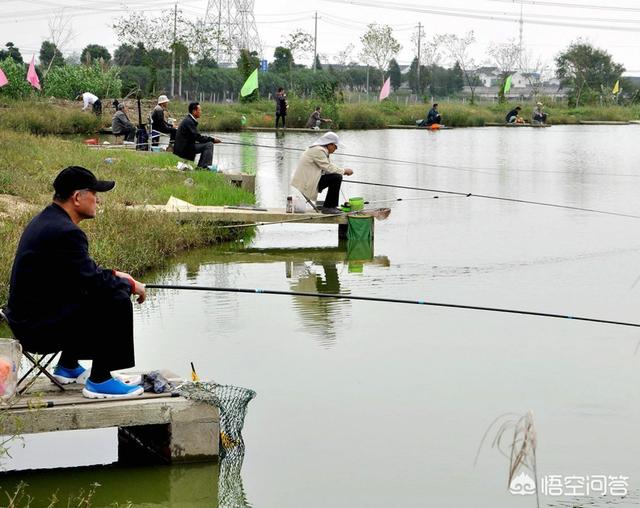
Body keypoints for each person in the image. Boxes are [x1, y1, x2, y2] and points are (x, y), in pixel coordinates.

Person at [4, 166, 146, 399]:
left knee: (95, 291)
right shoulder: (66, 232)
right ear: (77, 197)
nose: (98, 200)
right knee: (117, 299)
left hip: (26, 321)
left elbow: (80, 274)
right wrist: (129, 285)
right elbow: (94, 283)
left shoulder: (49, 220)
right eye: (94, 193)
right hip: (36, 330)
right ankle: (100, 380)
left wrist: (119, 275)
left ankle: (68, 366)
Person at [291, 132, 354, 215]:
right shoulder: (318, 150)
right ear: (330, 144)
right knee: (337, 177)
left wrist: (340, 172)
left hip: (310, 180)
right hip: (307, 183)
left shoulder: (320, 150)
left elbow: (327, 169)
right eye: (336, 146)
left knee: (336, 177)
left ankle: (331, 206)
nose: (336, 149)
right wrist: (344, 171)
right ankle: (328, 207)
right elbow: (328, 167)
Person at [174, 102, 221, 169]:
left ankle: (201, 166)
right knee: (209, 145)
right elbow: (198, 137)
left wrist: (208, 139)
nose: (201, 112)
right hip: (184, 149)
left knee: (207, 143)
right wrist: (212, 139)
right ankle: (203, 167)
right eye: (199, 110)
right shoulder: (189, 121)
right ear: (194, 111)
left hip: (184, 147)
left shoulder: (189, 120)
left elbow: (195, 137)